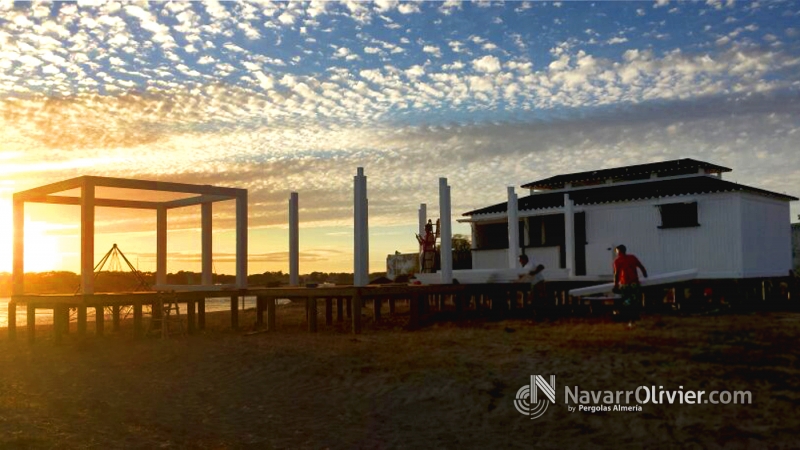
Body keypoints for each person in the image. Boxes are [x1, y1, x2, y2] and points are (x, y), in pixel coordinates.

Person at [612, 244, 647, 327]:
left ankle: (629, 318)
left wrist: (616, 285)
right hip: (634, 283)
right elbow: (641, 266)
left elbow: (616, 274)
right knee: (635, 300)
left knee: (627, 301)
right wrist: (645, 275)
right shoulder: (632, 257)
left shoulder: (618, 261)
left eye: (617, 251)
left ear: (619, 251)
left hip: (625, 284)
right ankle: (635, 317)